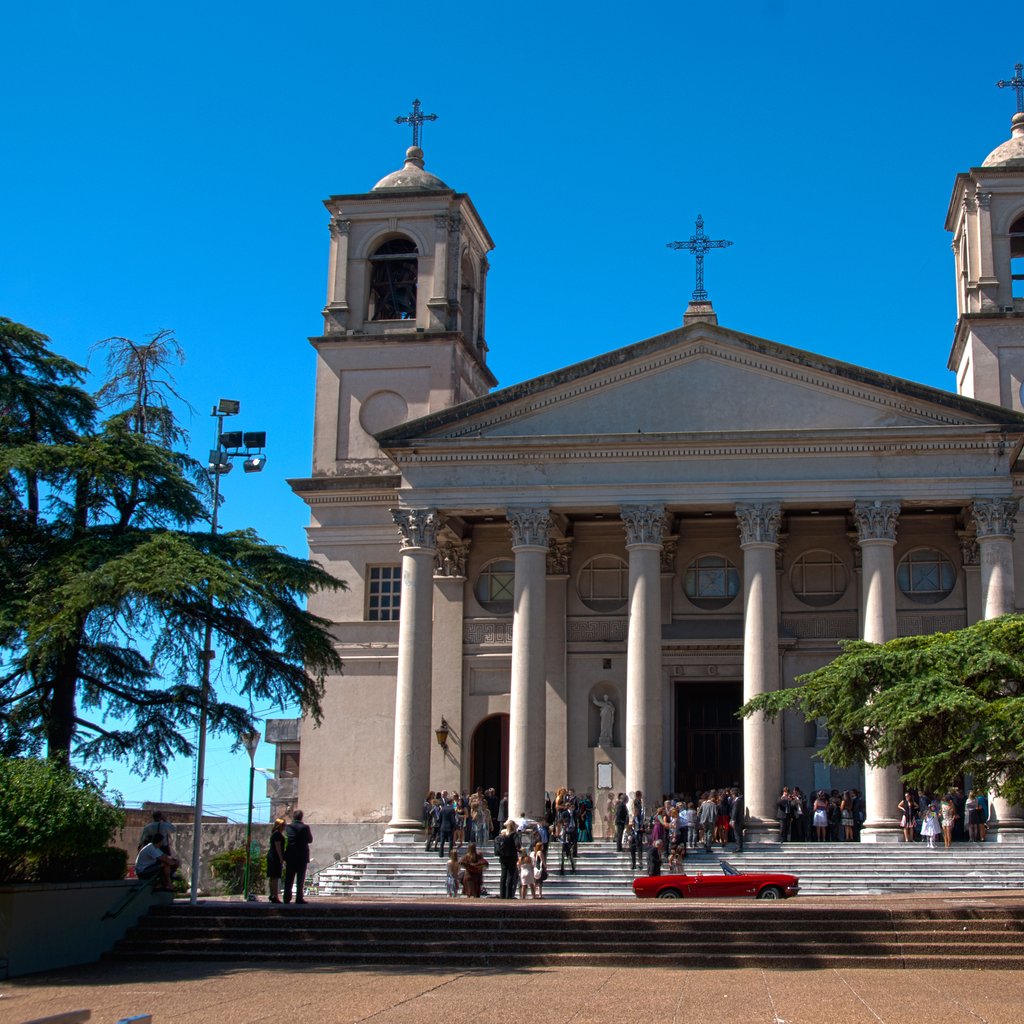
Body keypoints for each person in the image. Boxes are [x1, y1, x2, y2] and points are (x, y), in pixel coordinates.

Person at [283, 809, 313, 903]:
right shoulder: (305, 827)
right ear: (301, 817)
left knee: (289, 877)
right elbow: (310, 840)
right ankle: (299, 897)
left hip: (291, 855)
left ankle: (286, 897)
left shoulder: (288, 827)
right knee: (300, 878)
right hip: (301, 855)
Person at [495, 819, 520, 898]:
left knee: (503, 875)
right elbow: (518, 844)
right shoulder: (514, 835)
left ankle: (502, 894)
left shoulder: (502, 835)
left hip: (503, 856)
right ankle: (508, 894)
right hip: (512, 856)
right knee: (510, 875)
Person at [266, 817, 286, 903]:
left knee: (272, 877)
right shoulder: (277, 834)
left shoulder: (274, 833)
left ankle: (272, 894)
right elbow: (278, 846)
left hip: (272, 857)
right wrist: (281, 858)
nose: (284, 827)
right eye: (283, 825)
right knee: (275, 877)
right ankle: (275, 895)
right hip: (275, 858)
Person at [730, 788, 745, 852]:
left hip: (737, 820)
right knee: (739, 834)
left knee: (737, 834)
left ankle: (739, 847)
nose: (731, 795)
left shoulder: (737, 800)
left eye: (732, 793)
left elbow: (735, 811)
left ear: (734, 794)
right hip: (739, 820)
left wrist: (733, 819)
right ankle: (739, 847)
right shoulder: (739, 800)